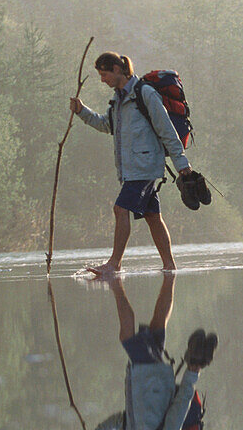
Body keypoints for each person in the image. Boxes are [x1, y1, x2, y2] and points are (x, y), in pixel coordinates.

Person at [88, 273, 217, 430]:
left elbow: (120, 420)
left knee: (158, 323)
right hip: (152, 378)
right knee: (126, 338)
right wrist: (192, 372)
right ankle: (114, 282)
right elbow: (179, 410)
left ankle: (170, 274)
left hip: (143, 375)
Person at [70, 52, 193, 275]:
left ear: (117, 69)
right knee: (153, 217)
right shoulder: (118, 100)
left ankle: (114, 264)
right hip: (132, 169)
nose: (102, 79)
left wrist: (180, 162)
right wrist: (82, 111)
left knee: (120, 209)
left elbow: (167, 129)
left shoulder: (145, 93)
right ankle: (170, 266)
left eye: (104, 74)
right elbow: (107, 125)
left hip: (144, 167)